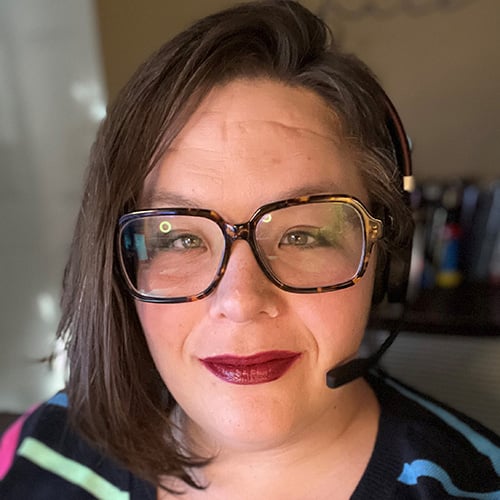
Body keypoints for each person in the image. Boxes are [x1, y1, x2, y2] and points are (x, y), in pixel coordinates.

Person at [1, 1, 499, 498]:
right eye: (182, 239)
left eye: (302, 235)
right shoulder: (40, 446)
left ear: (381, 258)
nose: (240, 302)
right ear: (119, 265)